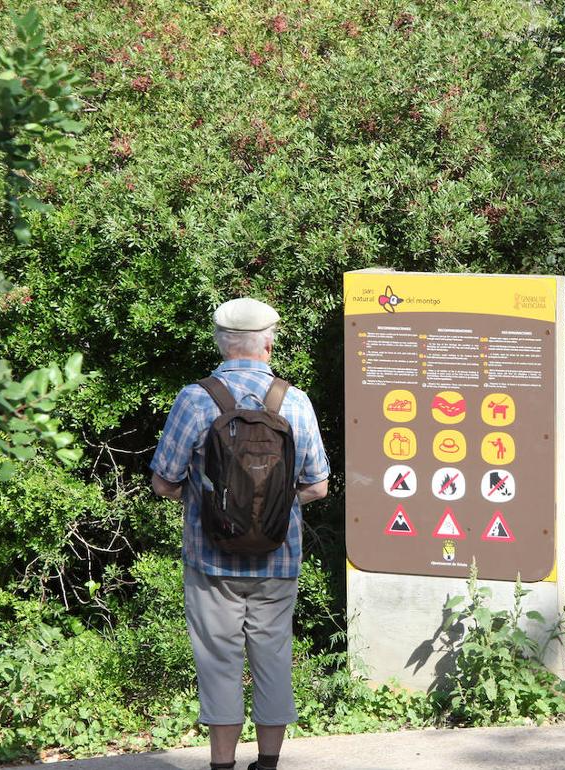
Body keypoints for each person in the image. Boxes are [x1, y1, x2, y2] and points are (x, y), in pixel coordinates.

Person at [150, 297, 330, 770]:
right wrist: (273, 509)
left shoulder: (195, 398)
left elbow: (163, 481)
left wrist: (210, 506)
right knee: (273, 655)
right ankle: (268, 763)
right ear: (268, 344)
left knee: (217, 659)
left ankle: (222, 765)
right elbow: (317, 485)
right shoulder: (295, 401)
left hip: (210, 560)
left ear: (220, 343)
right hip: (278, 557)